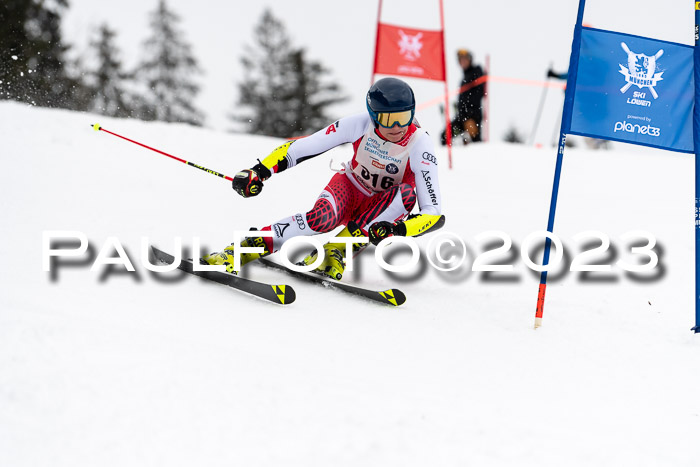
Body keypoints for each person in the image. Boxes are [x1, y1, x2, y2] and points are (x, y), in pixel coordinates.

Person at [203, 77, 445, 281]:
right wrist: (260, 171)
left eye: (404, 116)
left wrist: (398, 229)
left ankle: (335, 252)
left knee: (406, 195)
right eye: (388, 119)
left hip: (383, 206)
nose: (398, 127)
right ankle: (241, 249)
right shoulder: (359, 124)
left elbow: (433, 213)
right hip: (350, 189)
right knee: (320, 219)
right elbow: (303, 147)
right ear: (373, 115)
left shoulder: (420, 143)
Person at [441, 49, 486, 145]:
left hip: (473, 116)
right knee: (445, 136)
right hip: (462, 116)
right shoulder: (465, 76)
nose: (463, 62)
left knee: (475, 143)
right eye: (460, 60)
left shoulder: (476, 72)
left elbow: (478, 94)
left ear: (470, 60)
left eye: (465, 60)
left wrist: (471, 117)